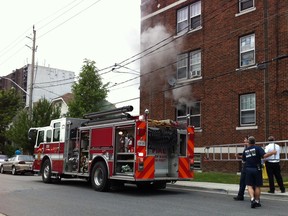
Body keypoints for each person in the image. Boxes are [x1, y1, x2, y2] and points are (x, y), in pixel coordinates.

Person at [242, 136, 277, 208]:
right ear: (255, 142)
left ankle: (252, 199)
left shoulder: (245, 150)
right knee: (257, 185)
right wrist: (272, 152)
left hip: (248, 169)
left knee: (249, 185)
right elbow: (264, 156)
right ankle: (257, 201)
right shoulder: (258, 148)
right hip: (257, 169)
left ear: (248, 142)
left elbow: (244, 160)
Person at [233, 136, 249, 201]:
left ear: (248, 140)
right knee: (243, 182)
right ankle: (240, 195)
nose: (244, 140)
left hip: (246, 166)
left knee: (243, 181)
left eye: (245, 139)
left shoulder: (248, 147)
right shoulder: (246, 147)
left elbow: (246, 156)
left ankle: (241, 196)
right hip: (247, 165)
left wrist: (239, 156)